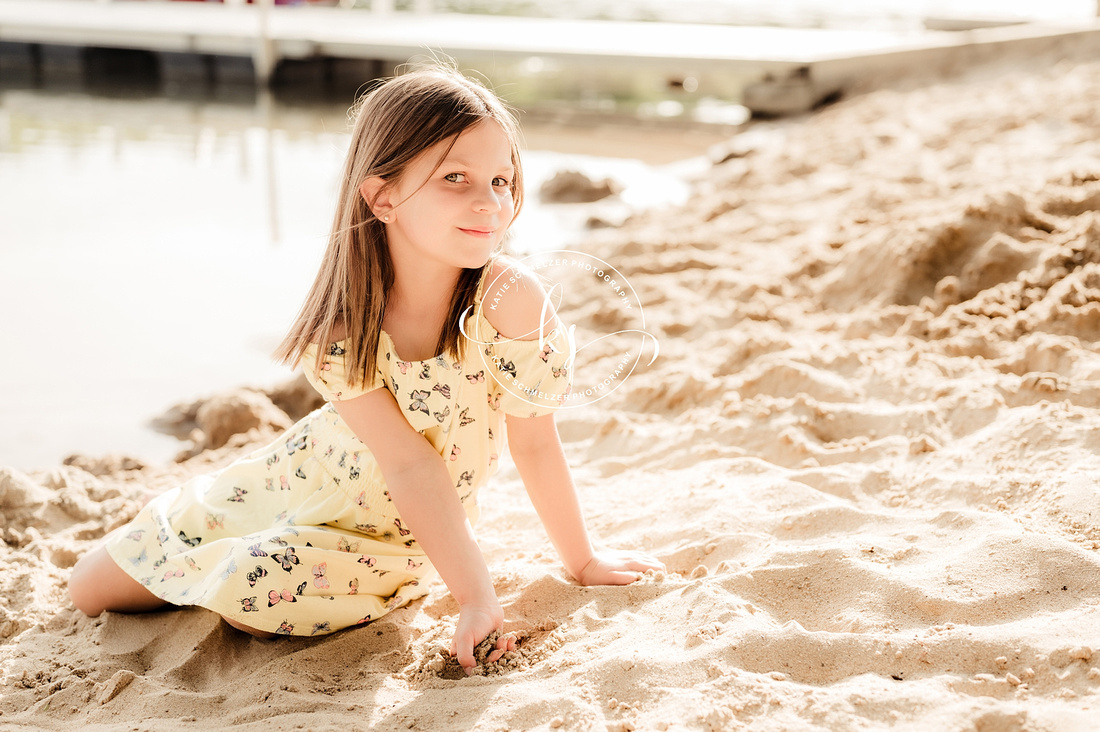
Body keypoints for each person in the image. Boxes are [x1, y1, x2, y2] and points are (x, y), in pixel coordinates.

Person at [68, 65, 664, 675]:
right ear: (382, 196)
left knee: (257, 589)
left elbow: (533, 442)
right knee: (87, 589)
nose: (489, 202)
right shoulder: (345, 324)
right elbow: (401, 455)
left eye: (502, 180)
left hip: (402, 528)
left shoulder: (508, 300)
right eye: (454, 178)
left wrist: (573, 564)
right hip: (306, 476)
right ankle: (194, 522)